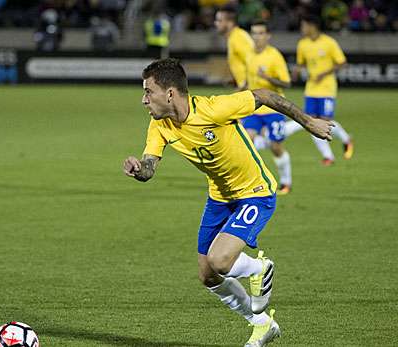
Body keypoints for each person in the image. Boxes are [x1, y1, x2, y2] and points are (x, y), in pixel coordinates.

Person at [123, 59, 333, 346]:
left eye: (149, 92)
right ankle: (262, 324)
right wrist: (139, 170)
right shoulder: (159, 125)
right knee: (208, 275)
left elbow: (263, 95)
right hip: (220, 198)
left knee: (220, 260)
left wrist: (309, 122)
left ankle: (260, 268)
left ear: (170, 93)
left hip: (255, 191)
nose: (143, 99)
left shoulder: (213, 108)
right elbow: (149, 166)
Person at [287, 15, 353, 166]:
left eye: (304, 25)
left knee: (325, 120)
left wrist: (324, 73)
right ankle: (328, 156)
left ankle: (345, 139)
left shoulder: (329, 43)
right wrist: (296, 72)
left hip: (327, 89)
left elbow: (342, 63)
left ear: (312, 26)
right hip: (311, 89)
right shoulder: (302, 44)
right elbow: (301, 63)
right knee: (312, 122)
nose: (302, 29)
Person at [243, 21, 292, 194]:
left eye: (260, 33)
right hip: (254, 108)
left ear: (268, 36)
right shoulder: (249, 55)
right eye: (254, 33)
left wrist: (268, 78)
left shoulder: (275, 56)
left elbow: (286, 83)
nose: (257, 37)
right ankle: (250, 184)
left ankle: (286, 181)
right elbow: (249, 81)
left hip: (273, 107)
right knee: (245, 142)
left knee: (276, 147)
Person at [214, 5, 254, 89]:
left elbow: (253, 62)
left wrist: (245, 85)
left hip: (252, 90)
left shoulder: (238, 38)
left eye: (219, 20)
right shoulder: (234, 37)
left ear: (230, 23)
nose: (216, 23)